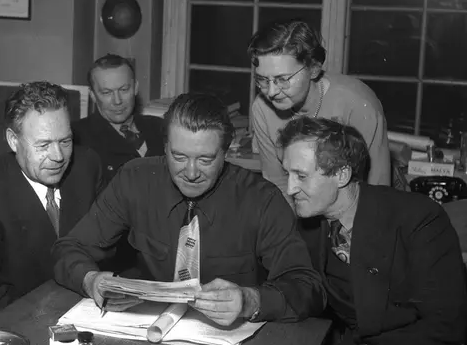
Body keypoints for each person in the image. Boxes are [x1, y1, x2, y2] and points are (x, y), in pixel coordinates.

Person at [53, 93, 325, 326]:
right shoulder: (134, 180)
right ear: (165, 147)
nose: (191, 173)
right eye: (179, 157)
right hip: (147, 329)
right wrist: (91, 280)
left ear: (225, 151)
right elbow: (69, 248)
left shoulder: (261, 199)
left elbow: (308, 287)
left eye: (205, 160)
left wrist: (250, 301)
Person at [279, 116, 467, 345]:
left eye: (301, 175)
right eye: (287, 173)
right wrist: (250, 299)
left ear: (341, 174)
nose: (290, 188)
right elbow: (298, 287)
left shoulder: (419, 219)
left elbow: (446, 329)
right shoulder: (310, 226)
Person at [0, 81, 103, 314]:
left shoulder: (87, 166)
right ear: (13, 141)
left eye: (65, 141)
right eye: (44, 145)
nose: (58, 156)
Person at [248, 19, 390, 201]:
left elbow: (378, 193)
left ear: (313, 69)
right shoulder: (262, 108)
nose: (272, 92)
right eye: (262, 80)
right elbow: (278, 186)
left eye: (282, 79)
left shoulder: (358, 105)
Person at [72, 54, 164, 186]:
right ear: (93, 95)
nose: (117, 101)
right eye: (107, 93)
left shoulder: (160, 128)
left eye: (124, 90)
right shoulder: (77, 138)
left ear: (136, 87)